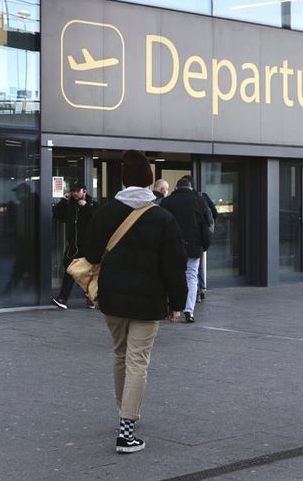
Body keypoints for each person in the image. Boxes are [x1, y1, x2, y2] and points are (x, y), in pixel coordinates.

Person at [82, 150, 187, 454]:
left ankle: (124, 410)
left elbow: (90, 253)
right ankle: (126, 431)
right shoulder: (162, 217)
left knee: (120, 354)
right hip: (148, 301)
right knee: (137, 360)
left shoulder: (105, 212)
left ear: (124, 181)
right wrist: (176, 302)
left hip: (111, 298)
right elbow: (174, 265)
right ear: (150, 182)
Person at [160, 176, 213, 323]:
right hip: (193, 247)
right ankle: (189, 311)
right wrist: (204, 244)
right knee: (191, 276)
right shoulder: (199, 200)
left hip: (172, 247)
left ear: (176, 188)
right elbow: (206, 224)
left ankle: (172, 307)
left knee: (170, 275)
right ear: (190, 187)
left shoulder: (168, 201)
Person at [51, 181, 97, 309]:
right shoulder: (70, 204)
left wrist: (87, 207)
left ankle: (91, 299)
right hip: (73, 245)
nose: (75, 193)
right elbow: (57, 215)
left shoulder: (92, 204)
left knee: (88, 273)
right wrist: (63, 201)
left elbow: (98, 219)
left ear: (84, 191)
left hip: (88, 246)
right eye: (73, 191)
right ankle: (63, 299)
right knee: (70, 270)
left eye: (77, 191)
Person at [182, 175, 218, 303]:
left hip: (189, 238)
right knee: (197, 266)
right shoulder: (203, 197)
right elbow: (214, 212)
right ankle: (200, 290)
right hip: (200, 238)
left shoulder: (189, 199)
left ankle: (196, 292)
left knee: (192, 269)